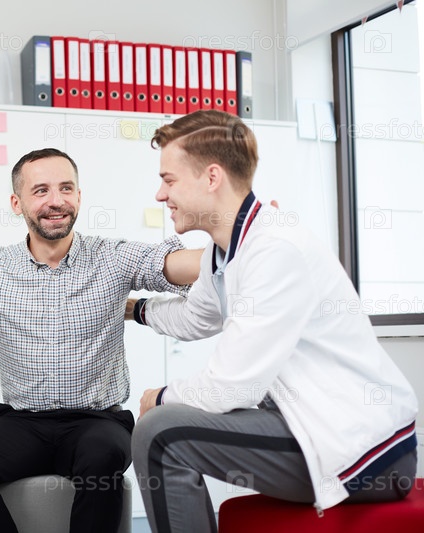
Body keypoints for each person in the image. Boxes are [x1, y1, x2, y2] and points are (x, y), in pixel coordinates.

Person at [128, 109, 418, 533]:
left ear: (212, 177)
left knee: (159, 434)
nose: (160, 194)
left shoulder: (275, 249)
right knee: (162, 429)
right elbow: (194, 318)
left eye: (169, 180)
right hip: (305, 424)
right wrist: (133, 308)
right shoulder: (226, 249)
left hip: (366, 452)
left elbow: (231, 387)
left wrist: (161, 397)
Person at [0, 147, 202, 532]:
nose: (56, 201)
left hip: (97, 421)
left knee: (101, 457)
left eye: (66, 188)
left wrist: (241, 248)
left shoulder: (111, 258)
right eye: (41, 191)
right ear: (16, 203)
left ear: (79, 197)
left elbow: (174, 265)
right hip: (22, 423)